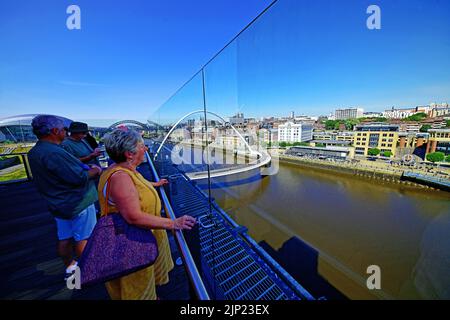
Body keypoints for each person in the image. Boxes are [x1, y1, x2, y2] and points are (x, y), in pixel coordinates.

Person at [99, 129, 196, 300]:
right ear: (129, 153)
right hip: (132, 246)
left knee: (146, 284)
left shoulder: (121, 169)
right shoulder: (120, 178)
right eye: (142, 146)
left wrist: (155, 184)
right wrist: (173, 224)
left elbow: (135, 186)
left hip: (141, 239)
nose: (146, 149)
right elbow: (133, 217)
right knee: (137, 288)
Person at [28, 115, 102, 278]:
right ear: (54, 131)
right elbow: (78, 178)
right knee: (85, 238)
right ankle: (90, 269)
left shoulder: (35, 151)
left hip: (58, 203)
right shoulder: (54, 153)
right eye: (63, 129)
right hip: (77, 203)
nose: (66, 133)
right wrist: (95, 170)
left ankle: (70, 267)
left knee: (65, 238)